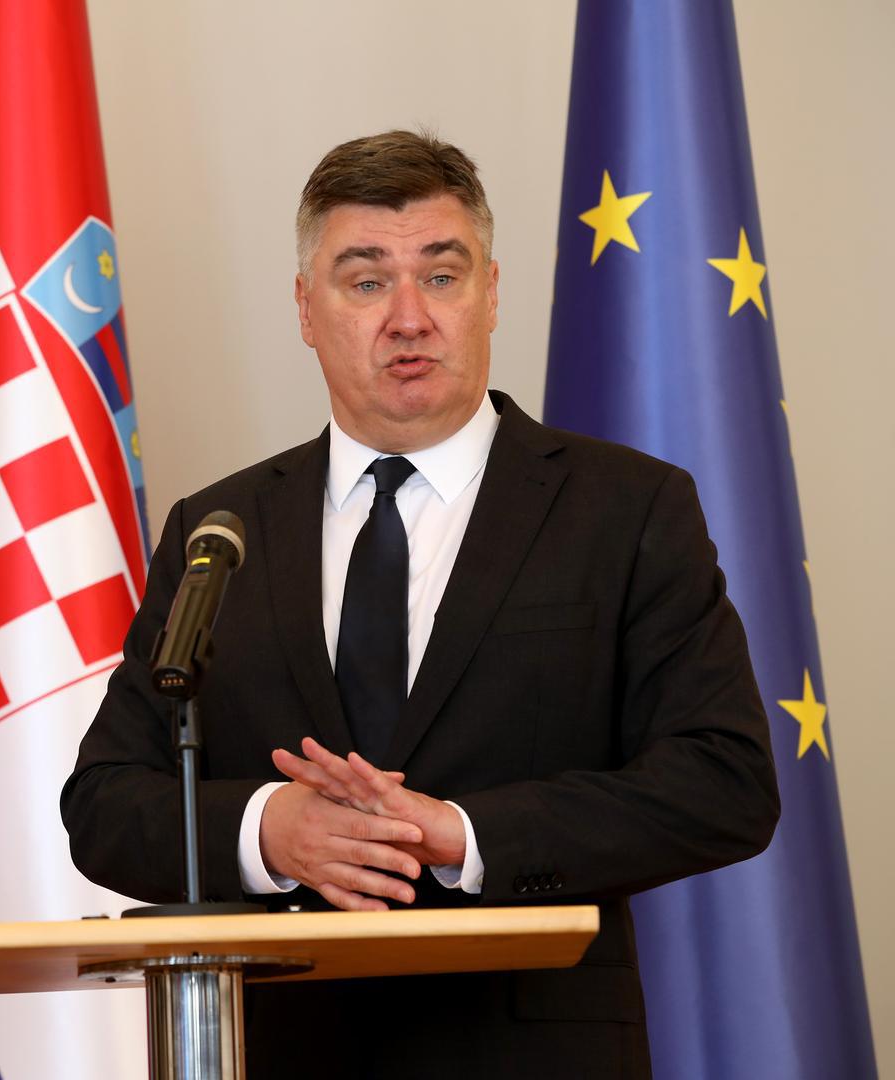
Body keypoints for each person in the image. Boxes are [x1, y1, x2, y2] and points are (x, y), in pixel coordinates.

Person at [60, 130, 779, 1078]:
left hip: (533, 1057)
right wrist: (268, 830)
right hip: (282, 1049)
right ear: (306, 308)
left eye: (441, 276)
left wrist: (465, 834)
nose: (409, 318)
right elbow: (104, 801)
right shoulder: (221, 529)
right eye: (366, 282)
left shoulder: (626, 508)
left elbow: (725, 782)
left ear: (491, 292)